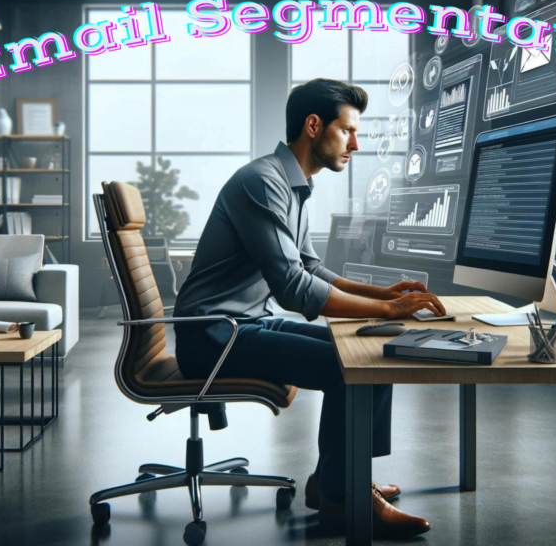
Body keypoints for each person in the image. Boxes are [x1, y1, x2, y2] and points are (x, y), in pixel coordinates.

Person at [173, 78, 445, 538]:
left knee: (375, 352)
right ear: (314, 126)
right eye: (347, 131)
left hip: (243, 324)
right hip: (213, 337)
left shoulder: (292, 183)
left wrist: (384, 297)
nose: (355, 144)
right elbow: (294, 288)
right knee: (353, 363)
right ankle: (345, 498)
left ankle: (335, 482)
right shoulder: (262, 182)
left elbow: (311, 267)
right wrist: (386, 311)